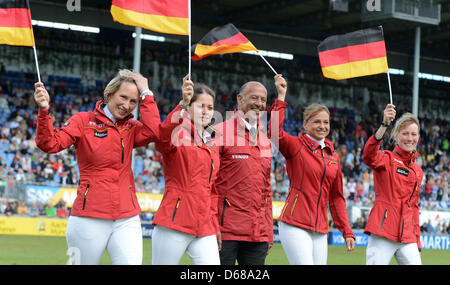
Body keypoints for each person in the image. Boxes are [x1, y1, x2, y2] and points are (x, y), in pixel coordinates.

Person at [34, 69, 161, 265]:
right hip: (88, 217)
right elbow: (49, 144)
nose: (126, 105)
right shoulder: (83, 121)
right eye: (123, 97)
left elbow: (154, 131)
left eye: (133, 101)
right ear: (109, 94)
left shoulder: (131, 127)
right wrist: (44, 111)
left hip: (127, 217)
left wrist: (146, 93)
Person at [271, 74, 355, 265]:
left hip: (320, 229)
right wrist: (281, 97)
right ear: (305, 124)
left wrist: (347, 231)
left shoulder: (333, 157)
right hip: (294, 224)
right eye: (316, 121)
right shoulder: (295, 145)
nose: (322, 126)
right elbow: (274, 133)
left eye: (326, 122)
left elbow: (336, 199)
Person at [151, 75, 221, 265]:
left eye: (210, 107)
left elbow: (212, 190)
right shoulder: (177, 132)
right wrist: (182, 103)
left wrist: (215, 225)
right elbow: (161, 139)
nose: (206, 112)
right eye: (200, 106)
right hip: (174, 222)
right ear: (190, 107)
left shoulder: (213, 145)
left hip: (205, 226)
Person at [213, 78, 275, 265]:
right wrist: (212, 224)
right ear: (240, 100)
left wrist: (268, 230)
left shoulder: (265, 140)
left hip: (257, 234)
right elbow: (208, 184)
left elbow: (266, 189)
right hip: (225, 231)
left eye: (263, 100)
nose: (259, 103)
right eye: (254, 97)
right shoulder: (219, 132)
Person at [363, 104, 423, 265]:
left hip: (408, 237)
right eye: (405, 133)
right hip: (383, 232)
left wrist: (417, 242)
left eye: (413, 134)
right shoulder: (386, 159)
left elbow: (414, 208)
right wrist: (384, 124)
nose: (410, 138)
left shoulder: (418, 171)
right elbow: (368, 156)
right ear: (396, 136)